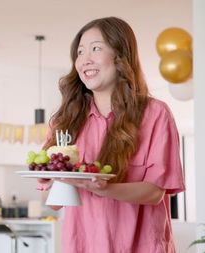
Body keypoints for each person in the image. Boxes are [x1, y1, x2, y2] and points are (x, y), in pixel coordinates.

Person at [37, 17, 185, 253]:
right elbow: (53, 204)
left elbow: (155, 192)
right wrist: (54, 179)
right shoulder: (65, 121)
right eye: (80, 52)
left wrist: (105, 188)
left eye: (96, 48)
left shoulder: (154, 114)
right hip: (83, 246)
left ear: (121, 56)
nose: (85, 60)